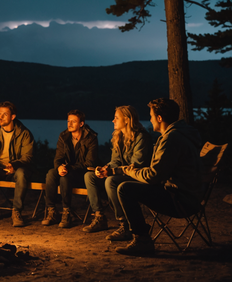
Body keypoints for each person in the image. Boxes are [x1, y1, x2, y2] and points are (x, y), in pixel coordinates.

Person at [114, 98, 202, 255]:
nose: (150, 119)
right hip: (188, 196)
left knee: (125, 188)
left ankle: (142, 240)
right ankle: (139, 235)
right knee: (131, 186)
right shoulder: (183, 134)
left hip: (181, 200)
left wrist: (128, 171)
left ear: (159, 118)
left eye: (151, 116)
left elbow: (153, 176)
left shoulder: (172, 139)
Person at [82, 105, 153, 238]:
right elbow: (115, 161)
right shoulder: (118, 136)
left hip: (137, 176)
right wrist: (105, 168)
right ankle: (99, 217)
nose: (113, 121)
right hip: (122, 174)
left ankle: (125, 224)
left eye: (116, 118)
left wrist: (111, 172)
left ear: (126, 120)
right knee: (90, 176)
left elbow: (135, 166)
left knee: (111, 180)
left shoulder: (141, 137)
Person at [42, 109, 98, 229]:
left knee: (64, 177)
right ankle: (51, 211)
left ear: (81, 124)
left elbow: (89, 163)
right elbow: (58, 158)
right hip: (67, 171)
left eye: (73, 121)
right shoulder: (64, 136)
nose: (69, 124)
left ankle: (67, 212)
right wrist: (59, 167)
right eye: (68, 121)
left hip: (82, 174)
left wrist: (68, 168)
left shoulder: (91, 138)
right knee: (51, 173)